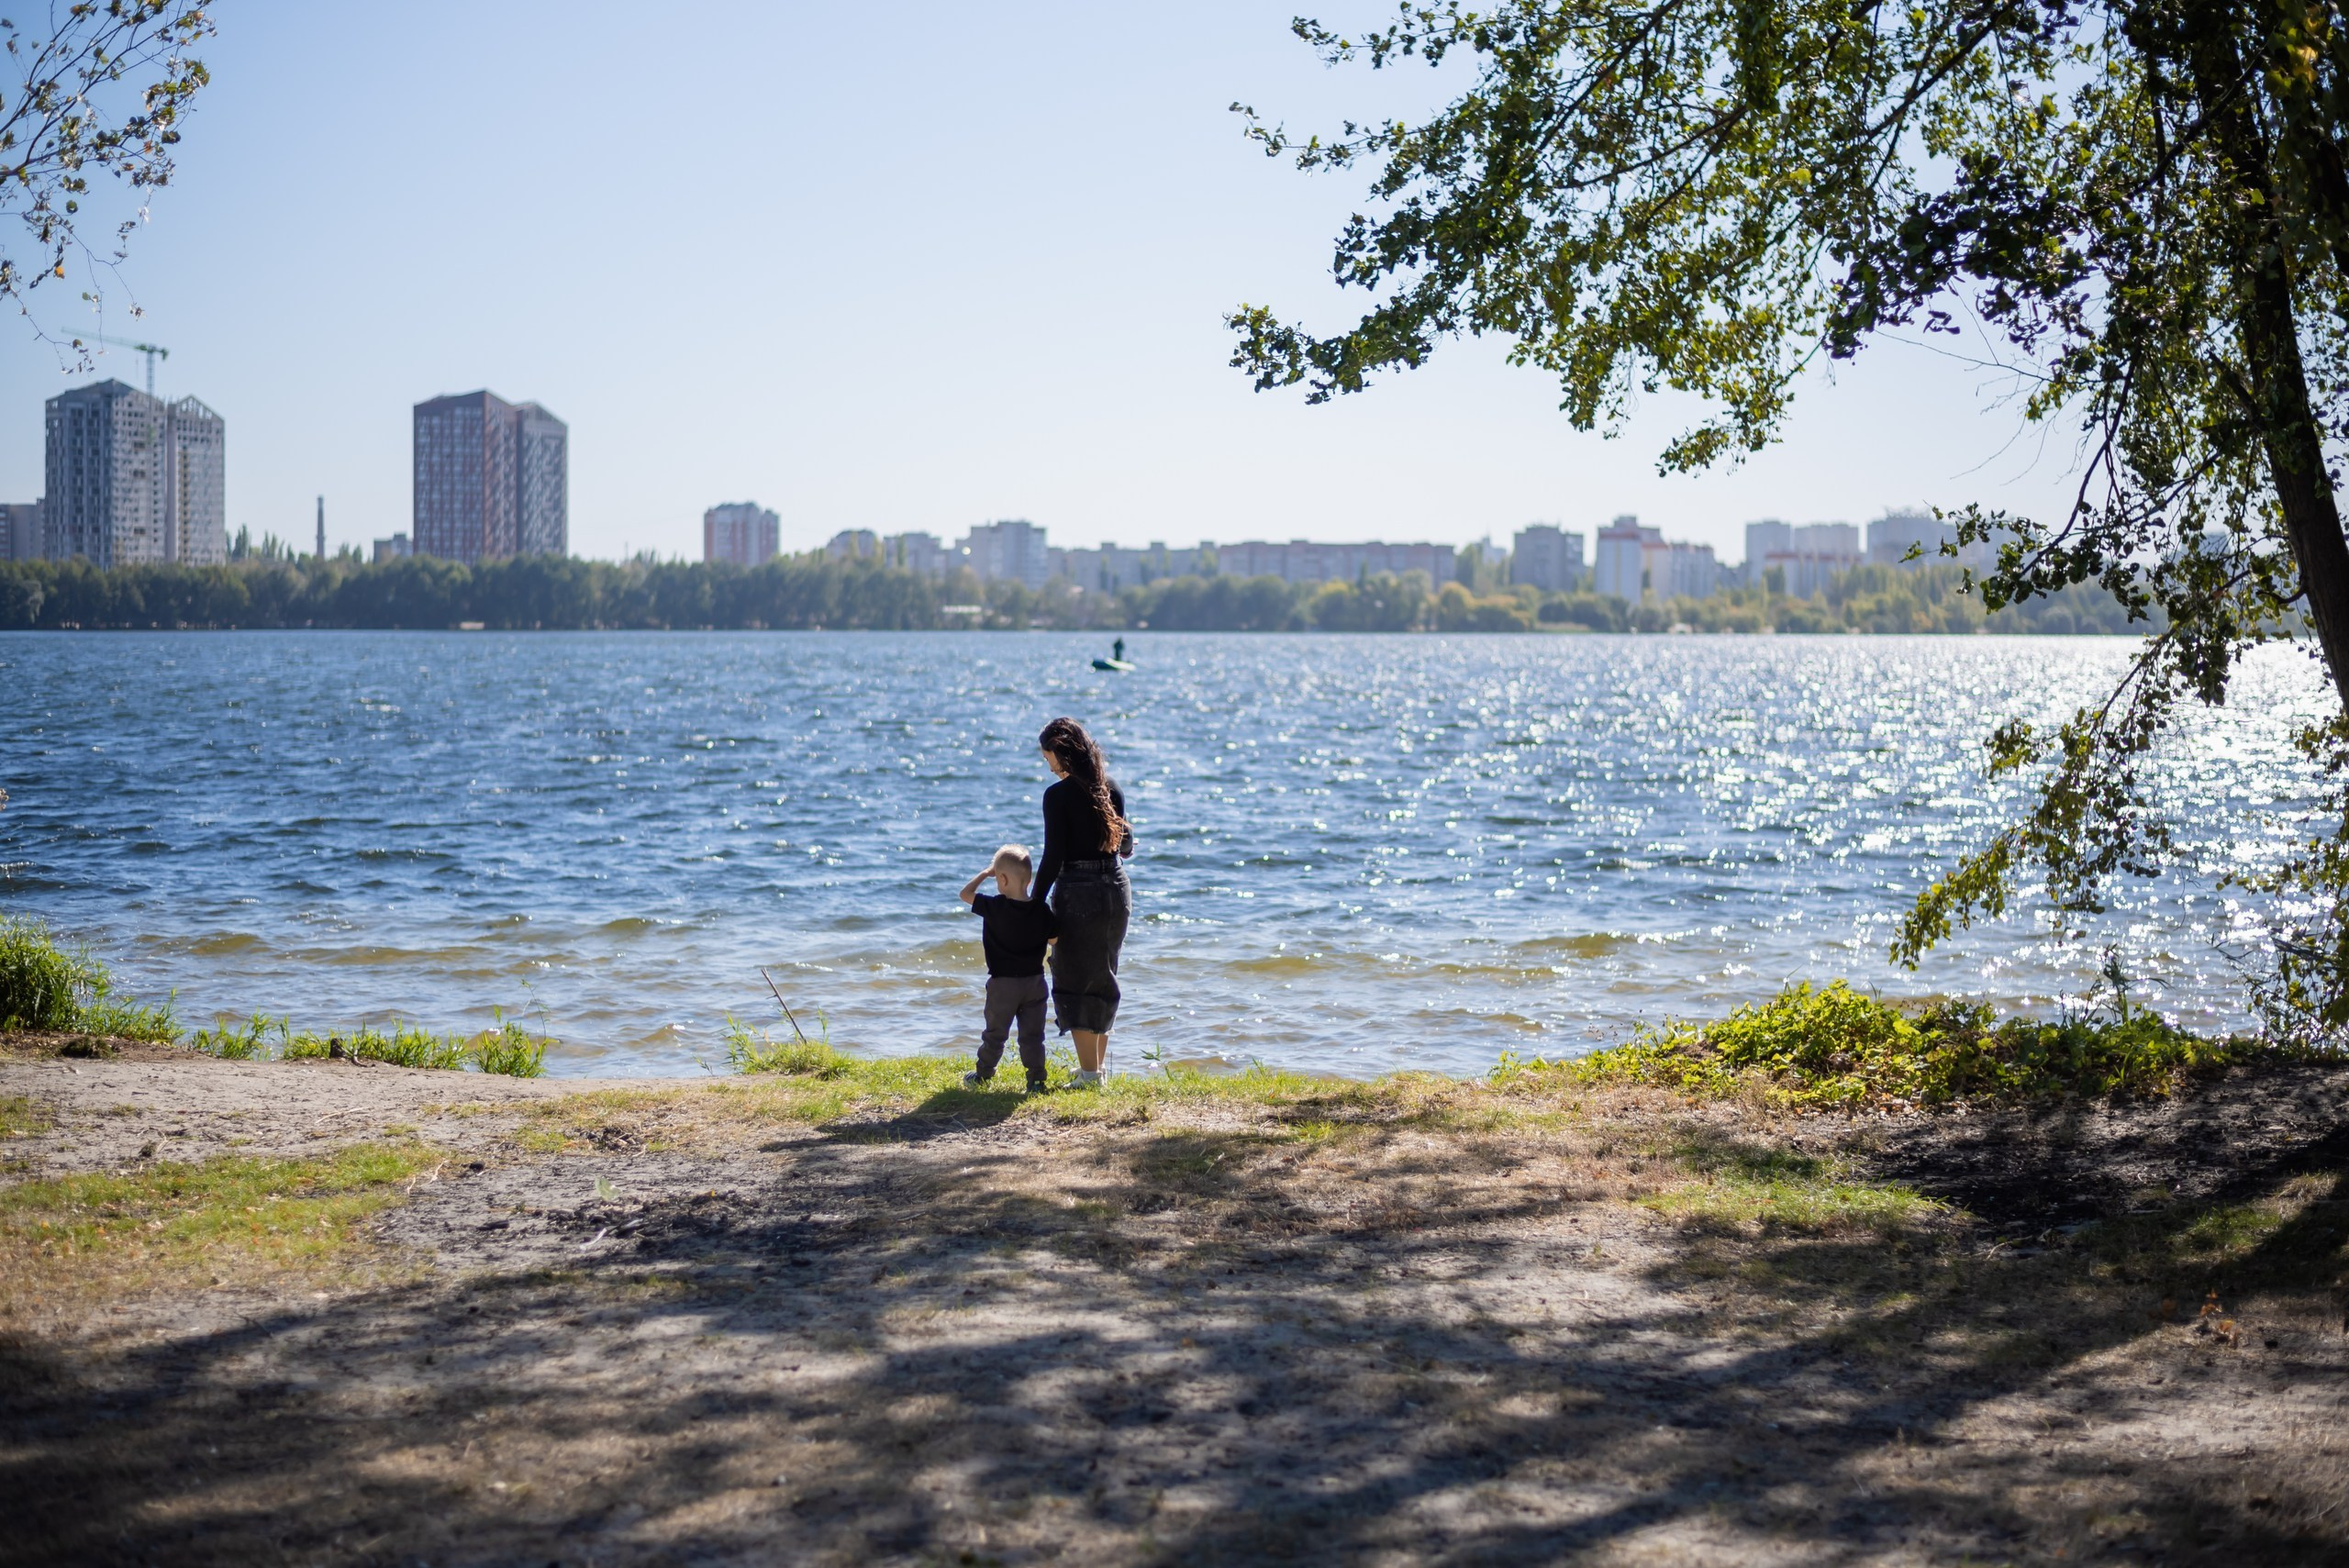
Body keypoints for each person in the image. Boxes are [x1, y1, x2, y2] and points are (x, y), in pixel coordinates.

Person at [1031, 717, 1134, 1087]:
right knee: (1104, 975)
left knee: (1073, 976)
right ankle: (1095, 1070)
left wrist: (1034, 903)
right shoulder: (1113, 787)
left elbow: (1053, 856)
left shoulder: (1057, 796)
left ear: (1061, 753)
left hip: (1079, 893)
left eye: (1048, 758)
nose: (1049, 766)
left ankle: (1090, 1075)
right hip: (1117, 891)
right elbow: (1126, 847)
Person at [958, 844, 1054, 1093]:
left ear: (1001, 879)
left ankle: (983, 1075)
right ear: (1029, 879)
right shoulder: (1041, 910)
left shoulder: (995, 906)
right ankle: (1036, 1081)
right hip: (1035, 983)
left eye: (996, 878)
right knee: (1033, 1036)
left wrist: (984, 873)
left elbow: (965, 894)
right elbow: (1055, 940)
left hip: (1003, 985)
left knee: (995, 1033)